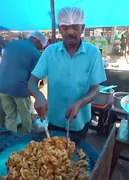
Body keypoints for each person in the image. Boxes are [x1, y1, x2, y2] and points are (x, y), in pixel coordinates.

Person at [28, 7, 106, 139]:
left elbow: (95, 88)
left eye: (75, 27)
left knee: (77, 155)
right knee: (53, 155)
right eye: (65, 27)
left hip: (80, 118)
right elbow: (32, 82)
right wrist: (38, 96)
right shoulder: (50, 52)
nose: (70, 32)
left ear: (83, 28)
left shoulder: (93, 53)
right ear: (59, 28)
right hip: (54, 118)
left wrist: (79, 103)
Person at [0, 31, 46, 133]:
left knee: (10, 116)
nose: (40, 49)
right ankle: (26, 140)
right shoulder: (36, 53)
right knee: (26, 116)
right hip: (19, 87)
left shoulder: (11, 44)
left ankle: (10, 140)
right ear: (37, 41)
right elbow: (33, 78)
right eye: (40, 46)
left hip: (2, 85)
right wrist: (32, 92)